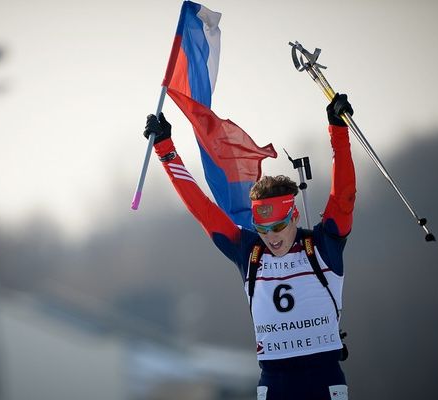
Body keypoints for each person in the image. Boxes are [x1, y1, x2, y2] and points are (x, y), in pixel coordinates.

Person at [142, 93, 356, 400]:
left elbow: (343, 196)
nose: (272, 236)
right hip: (275, 379)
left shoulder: (323, 244)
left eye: (279, 225)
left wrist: (338, 129)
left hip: (323, 376)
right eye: (263, 228)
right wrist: (166, 149)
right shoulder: (249, 252)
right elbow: (202, 208)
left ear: (294, 215)